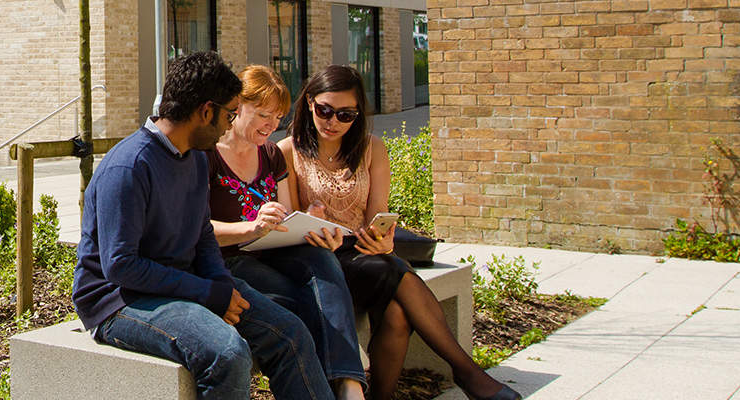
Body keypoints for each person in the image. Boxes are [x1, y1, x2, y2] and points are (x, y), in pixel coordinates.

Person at [72, 51, 333, 400]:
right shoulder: (129, 168)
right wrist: (208, 294)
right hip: (119, 301)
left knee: (290, 332)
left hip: (181, 283)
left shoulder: (195, 158)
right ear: (206, 111)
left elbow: (202, 234)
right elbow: (120, 266)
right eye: (230, 113)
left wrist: (221, 286)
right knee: (227, 354)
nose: (231, 123)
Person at [276, 65, 520, 400]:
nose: (333, 121)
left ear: (358, 115)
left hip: (365, 253)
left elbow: (378, 213)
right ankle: (467, 372)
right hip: (320, 259)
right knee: (397, 275)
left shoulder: (372, 148)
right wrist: (310, 219)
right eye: (325, 110)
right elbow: (289, 221)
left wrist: (384, 238)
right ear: (308, 104)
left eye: (345, 114)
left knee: (397, 312)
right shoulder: (287, 151)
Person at [205, 65, 365, 400]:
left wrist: (313, 221)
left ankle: (350, 387)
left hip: (273, 250)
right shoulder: (208, 155)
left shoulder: (272, 153)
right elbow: (196, 229)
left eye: (278, 116)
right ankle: (346, 370)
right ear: (237, 107)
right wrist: (251, 226)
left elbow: (288, 218)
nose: (272, 125)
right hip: (231, 259)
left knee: (322, 258)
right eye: (263, 114)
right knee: (299, 303)